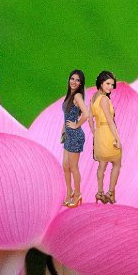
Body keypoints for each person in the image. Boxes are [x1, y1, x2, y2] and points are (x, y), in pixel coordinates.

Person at [90, 70, 122, 203]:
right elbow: (110, 120)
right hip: (108, 131)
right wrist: (117, 138)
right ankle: (110, 193)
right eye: (108, 84)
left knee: (102, 165)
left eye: (112, 85)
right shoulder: (104, 99)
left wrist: (95, 133)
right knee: (116, 163)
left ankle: (99, 193)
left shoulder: (94, 98)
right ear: (101, 83)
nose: (111, 87)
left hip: (99, 132)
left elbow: (90, 119)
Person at [61, 70, 90, 207]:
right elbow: (66, 117)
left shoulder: (78, 96)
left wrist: (76, 125)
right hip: (68, 134)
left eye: (77, 80)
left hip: (75, 135)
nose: (74, 82)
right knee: (65, 166)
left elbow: (87, 114)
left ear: (80, 83)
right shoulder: (70, 95)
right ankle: (69, 193)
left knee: (73, 167)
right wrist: (63, 131)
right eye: (72, 78)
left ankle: (77, 195)